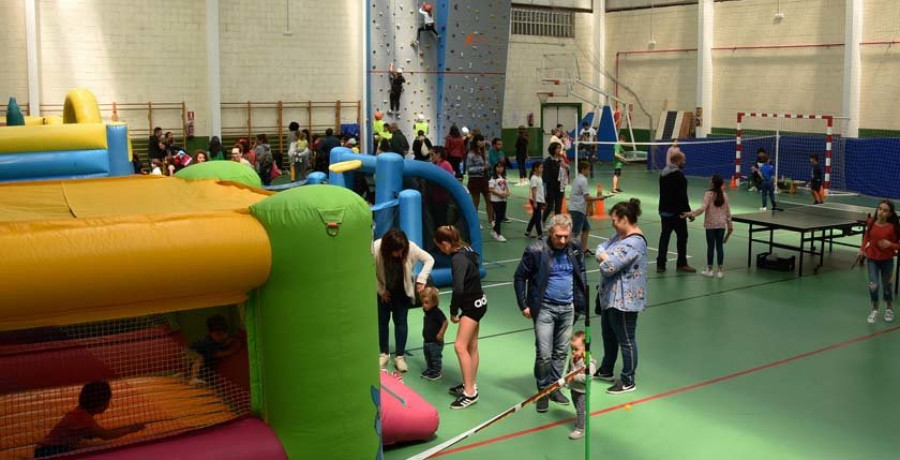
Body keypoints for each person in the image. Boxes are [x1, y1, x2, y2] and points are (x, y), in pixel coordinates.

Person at [514, 214, 588, 413]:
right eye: (558, 236)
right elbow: (520, 276)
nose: (563, 241)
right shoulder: (536, 250)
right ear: (550, 233)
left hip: (568, 309)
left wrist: (580, 302)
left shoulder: (574, 247)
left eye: (566, 236)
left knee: (561, 352)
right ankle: (543, 391)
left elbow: (581, 273)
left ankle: (555, 387)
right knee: (545, 354)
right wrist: (524, 305)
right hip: (545, 308)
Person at [594, 199, 648, 395]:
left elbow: (609, 267)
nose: (613, 224)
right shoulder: (619, 236)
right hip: (610, 297)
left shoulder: (634, 242)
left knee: (626, 339)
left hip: (625, 300)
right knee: (608, 335)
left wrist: (605, 257)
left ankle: (628, 379)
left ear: (625, 219)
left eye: (615, 220)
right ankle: (607, 369)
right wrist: (605, 255)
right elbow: (600, 247)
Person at [434, 225, 486, 409]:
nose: (440, 249)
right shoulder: (467, 249)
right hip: (480, 301)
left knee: (460, 346)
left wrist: (453, 311)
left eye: (440, 246)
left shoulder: (457, 259)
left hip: (471, 306)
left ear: (447, 243)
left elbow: (458, 289)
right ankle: (469, 383)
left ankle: (470, 393)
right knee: (472, 346)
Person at [374, 229, 435, 372]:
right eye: (397, 251)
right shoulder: (376, 248)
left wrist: (421, 279)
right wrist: (381, 290)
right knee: (383, 321)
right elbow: (367, 269)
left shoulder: (411, 247)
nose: (400, 254)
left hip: (401, 291)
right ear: (388, 248)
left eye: (402, 251)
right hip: (384, 291)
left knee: (401, 322)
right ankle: (384, 353)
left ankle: (400, 356)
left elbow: (429, 259)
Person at [35, 381, 144, 458]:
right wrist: (132, 429)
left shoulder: (80, 412)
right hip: (49, 451)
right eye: (108, 401)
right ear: (100, 405)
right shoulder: (84, 419)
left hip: (47, 449)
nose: (108, 404)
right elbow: (106, 435)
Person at [683, 175, 734, 279]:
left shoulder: (708, 194)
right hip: (721, 225)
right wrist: (730, 225)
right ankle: (720, 271)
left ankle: (710, 270)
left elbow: (702, 208)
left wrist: (690, 214)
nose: (709, 181)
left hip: (710, 225)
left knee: (711, 247)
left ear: (713, 183)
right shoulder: (724, 195)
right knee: (720, 247)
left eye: (711, 180)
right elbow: (728, 212)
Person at [860, 200, 900, 324]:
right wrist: (862, 249)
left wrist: (890, 244)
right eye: (880, 208)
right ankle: (875, 309)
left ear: (890, 214)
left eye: (885, 210)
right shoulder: (871, 222)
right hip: (872, 259)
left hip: (887, 260)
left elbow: (898, 245)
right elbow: (867, 236)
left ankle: (889, 308)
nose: (881, 212)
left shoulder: (893, 228)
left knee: (887, 285)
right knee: (873, 285)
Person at [657, 151, 695, 273]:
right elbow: (682, 197)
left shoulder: (663, 173)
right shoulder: (679, 176)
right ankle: (681, 263)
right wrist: (688, 213)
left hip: (664, 211)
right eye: (683, 160)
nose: (685, 162)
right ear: (678, 161)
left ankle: (661, 265)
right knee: (682, 237)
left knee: (664, 237)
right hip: (676, 213)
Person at [189, 314, 242, 385]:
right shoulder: (207, 343)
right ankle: (193, 378)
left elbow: (235, 342)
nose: (221, 337)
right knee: (199, 359)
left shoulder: (223, 340)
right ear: (210, 334)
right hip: (192, 352)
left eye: (224, 334)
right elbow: (216, 354)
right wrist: (231, 350)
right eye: (218, 335)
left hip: (205, 361)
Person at [570, 161, 610, 255]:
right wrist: (600, 198)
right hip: (578, 209)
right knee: (575, 232)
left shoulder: (577, 179)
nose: (589, 171)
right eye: (587, 169)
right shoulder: (583, 180)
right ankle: (570, 251)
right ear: (583, 170)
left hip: (579, 209)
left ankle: (583, 249)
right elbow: (587, 197)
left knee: (586, 228)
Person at [565, 330, 596, 440]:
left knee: (580, 410)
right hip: (573, 389)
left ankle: (580, 429)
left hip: (582, 392)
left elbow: (588, 378)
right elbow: (569, 370)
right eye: (572, 349)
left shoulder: (588, 363)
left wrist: (573, 377)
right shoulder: (573, 358)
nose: (573, 352)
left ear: (585, 348)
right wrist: (566, 380)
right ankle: (582, 419)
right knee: (577, 408)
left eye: (576, 349)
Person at [420, 286, 447, 381]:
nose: (424, 305)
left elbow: (445, 322)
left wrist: (441, 333)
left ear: (434, 302)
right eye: (423, 302)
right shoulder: (427, 312)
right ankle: (430, 369)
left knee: (435, 357)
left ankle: (437, 371)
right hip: (427, 340)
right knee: (428, 356)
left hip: (435, 341)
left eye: (426, 303)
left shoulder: (437, 312)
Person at [466, 134, 493, 226]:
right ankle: (475, 221)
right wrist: (482, 168)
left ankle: (491, 221)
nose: (482, 142)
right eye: (480, 141)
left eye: (483, 140)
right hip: (475, 180)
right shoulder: (471, 154)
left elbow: (489, 144)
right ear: (475, 142)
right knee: (475, 202)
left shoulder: (485, 152)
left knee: (489, 200)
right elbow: (469, 169)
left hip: (485, 179)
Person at [429, 148, 454, 228]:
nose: (431, 157)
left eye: (432, 155)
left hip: (442, 198)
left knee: (441, 221)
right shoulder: (437, 165)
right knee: (437, 221)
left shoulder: (445, 164)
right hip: (436, 198)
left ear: (438, 154)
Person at [488, 162, 510, 242]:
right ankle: (499, 234)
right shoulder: (493, 178)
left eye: (501, 167)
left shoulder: (504, 178)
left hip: (503, 200)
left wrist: (507, 193)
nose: (500, 169)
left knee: (500, 217)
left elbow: (507, 188)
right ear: (495, 168)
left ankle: (494, 230)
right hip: (496, 200)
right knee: (498, 216)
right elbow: (490, 189)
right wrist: (499, 194)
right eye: (498, 167)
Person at [542, 142, 564, 224]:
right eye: (557, 148)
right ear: (553, 149)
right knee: (550, 207)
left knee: (558, 208)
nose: (559, 150)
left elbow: (565, 171)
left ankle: (556, 224)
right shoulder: (548, 161)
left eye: (560, 148)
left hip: (560, 187)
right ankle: (542, 220)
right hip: (551, 187)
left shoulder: (561, 160)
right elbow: (545, 176)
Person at [525, 162, 545, 239]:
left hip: (539, 200)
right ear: (535, 168)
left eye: (542, 167)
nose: (542, 169)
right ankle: (540, 234)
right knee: (538, 218)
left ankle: (528, 231)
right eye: (540, 167)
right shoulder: (534, 178)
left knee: (535, 217)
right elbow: (534, 191)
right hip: (536, 200)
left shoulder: (539, 177)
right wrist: (535, 202)